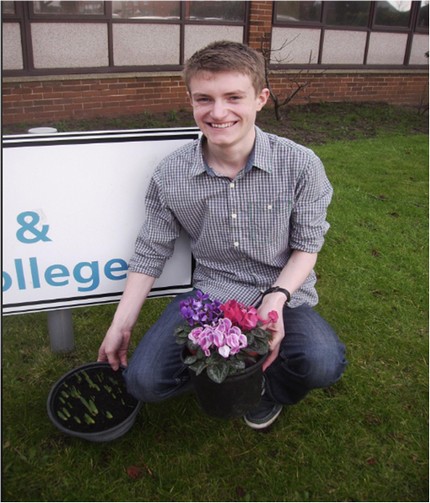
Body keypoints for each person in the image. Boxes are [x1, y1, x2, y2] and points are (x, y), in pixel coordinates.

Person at [97, 40, 347, 430]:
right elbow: (151, 251)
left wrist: (276, 300)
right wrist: (120, 324)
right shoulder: (171, 174)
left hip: (284, 292)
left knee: (323, 362)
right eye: (204, 99)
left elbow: (306, 246)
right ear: (190, 99)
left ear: (261, 98)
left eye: (234, 97)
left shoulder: (300, 164)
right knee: (143, 381)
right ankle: (225, 380)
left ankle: (268, 389)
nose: (218, 112)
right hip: (211, 292)